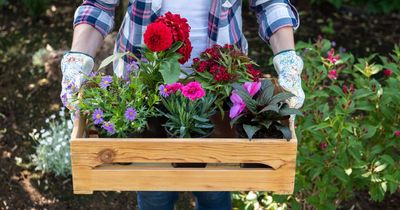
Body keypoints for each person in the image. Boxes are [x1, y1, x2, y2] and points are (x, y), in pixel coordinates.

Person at [61, 0, 305, 209]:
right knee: (154, 191)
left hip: (218, 85)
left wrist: (287, 60)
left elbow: (270, 3)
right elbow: (98, 6)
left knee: (215, 189)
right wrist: (78, 60)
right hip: (145, 84)